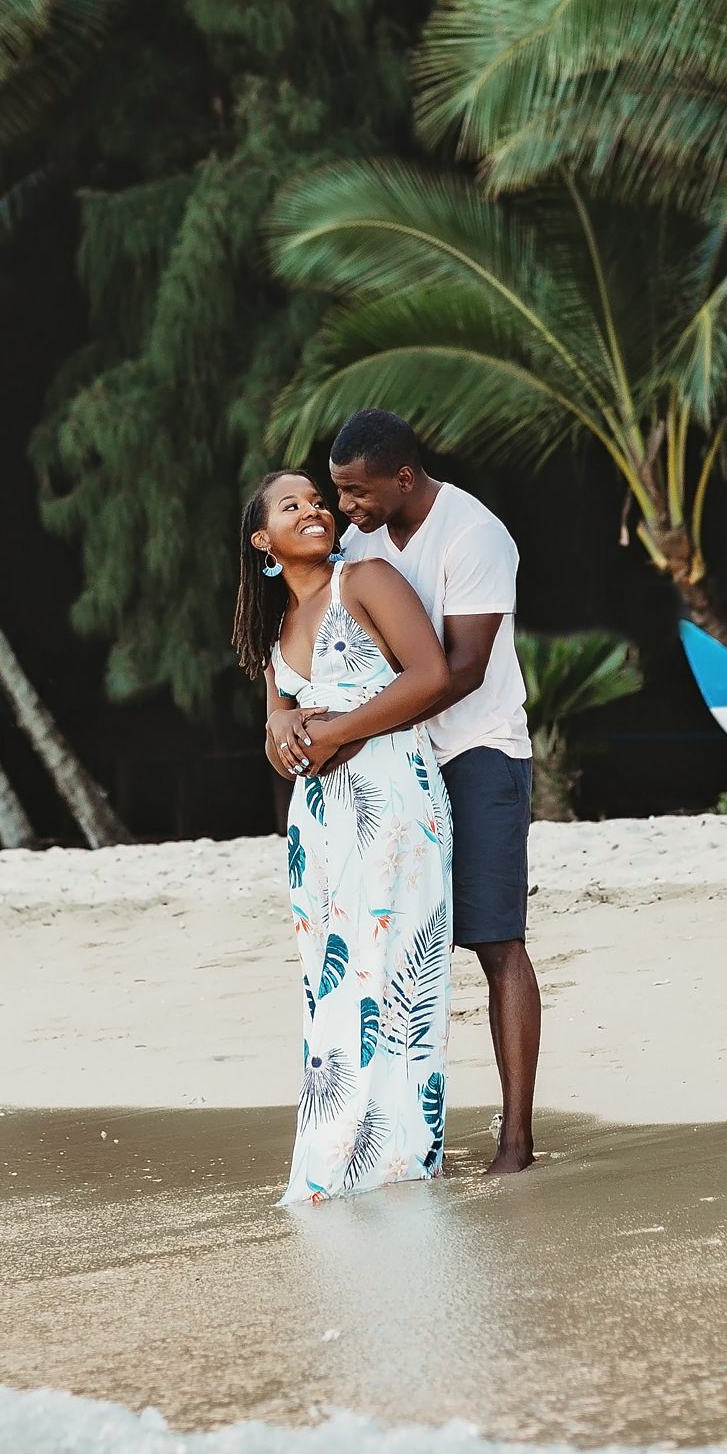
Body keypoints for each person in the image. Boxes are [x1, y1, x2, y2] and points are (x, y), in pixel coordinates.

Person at [276, 409, 541, 1178]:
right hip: (395, 768)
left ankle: (515, 1139)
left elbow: (459, 669)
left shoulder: (473, 534)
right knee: (388, 949)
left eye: (356, 492)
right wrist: (285, 715)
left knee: (495, 942)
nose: (343, 507)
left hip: (478, 751)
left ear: (402, 477)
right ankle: (389, 1134)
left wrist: (346, 733)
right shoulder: (360, 541)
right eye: (336, 492)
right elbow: (322, 638)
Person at [239, 466, 458, 1204]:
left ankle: (395, 1158)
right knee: (330, 981)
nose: (314, 509)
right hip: (319, 823)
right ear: (263, 541)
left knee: (395, 970)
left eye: (316, 499)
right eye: (291, 505)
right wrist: (282, 731)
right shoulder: (274, 630)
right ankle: (337, 1153)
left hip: (393, 796)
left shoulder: (363, 581)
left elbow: (429, 676)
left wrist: (334, 732)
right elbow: (279, 749)